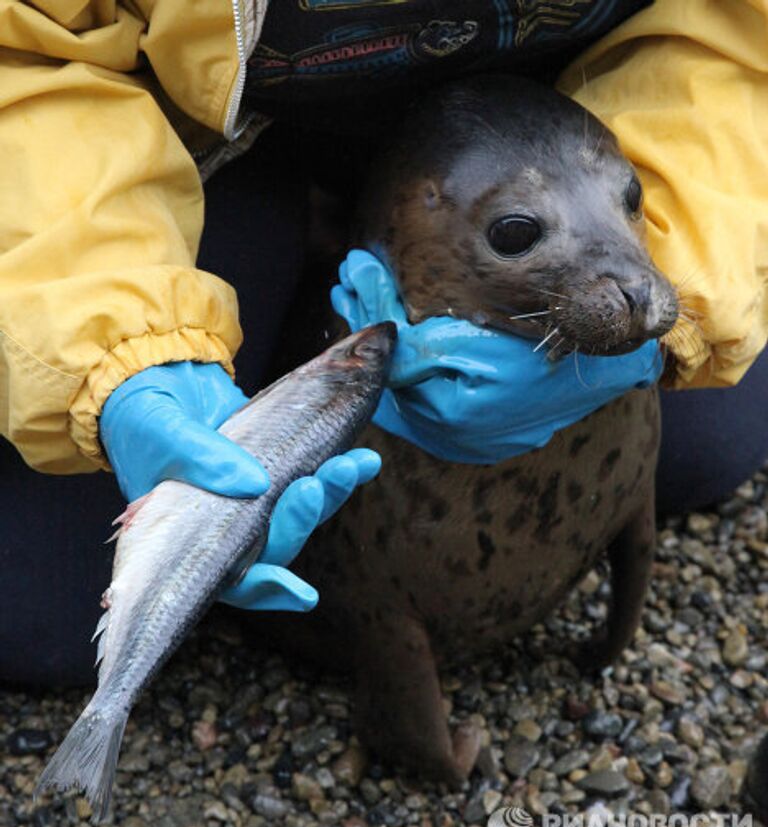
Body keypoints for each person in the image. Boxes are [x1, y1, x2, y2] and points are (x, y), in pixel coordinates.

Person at [1, 0, 766, 687]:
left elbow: (740, 31)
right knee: (41, 611)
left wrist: (678, 249)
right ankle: (278, 265)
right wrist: (117, 342)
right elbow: (23, 51)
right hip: (204, 144)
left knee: (704, 443)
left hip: (566, 133)